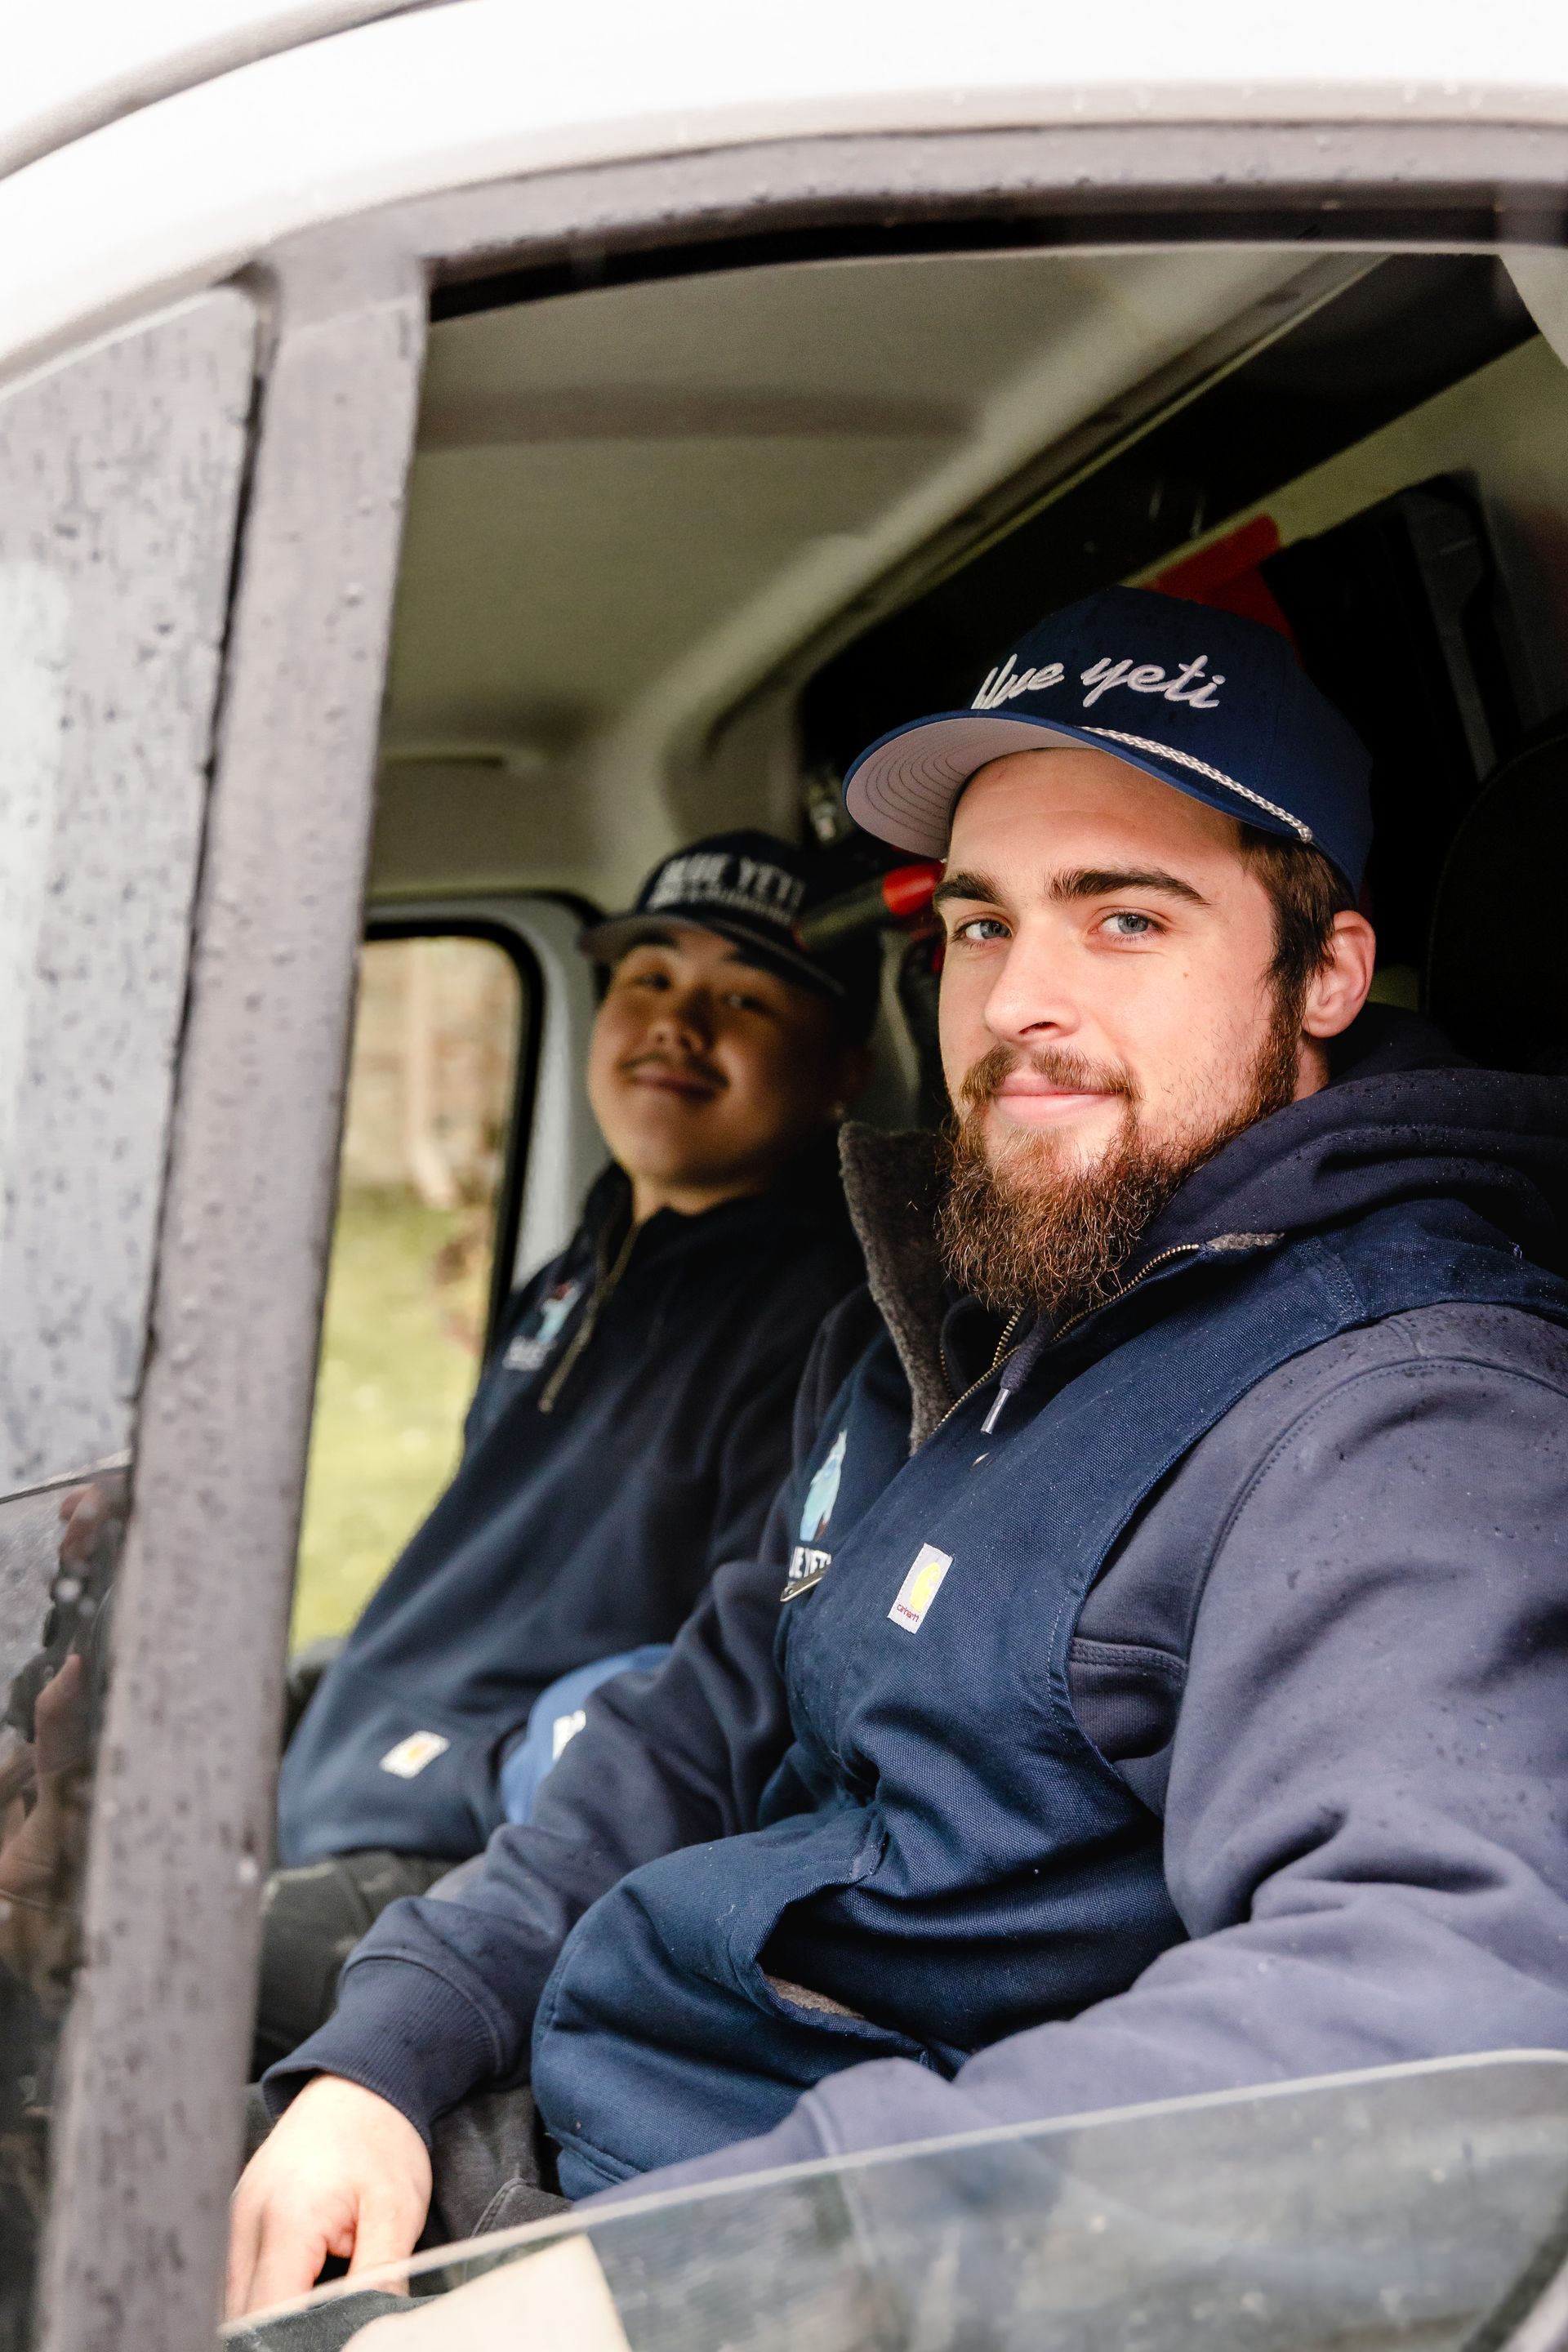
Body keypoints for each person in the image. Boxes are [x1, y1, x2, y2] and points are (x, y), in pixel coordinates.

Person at [229, 586, 1568, 2321]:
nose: (1021, 1001)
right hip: (613, 2133)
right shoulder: (955, 1313)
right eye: (982, 925)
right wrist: (390, 2049)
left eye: (1129, 922)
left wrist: (683, 2288)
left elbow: (1431, 1999)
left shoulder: (1404, 1411)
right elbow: (698, 1728)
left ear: (1325, 973)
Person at [257, 831, 875, 2071]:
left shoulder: (820, 1320)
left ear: (841, 1070)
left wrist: (487, 1778)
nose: (676, 1025)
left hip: (469, 1864)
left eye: (744, 998)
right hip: (333, 1794)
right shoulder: (578, 1268)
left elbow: (735, 1686)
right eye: (649, 978)